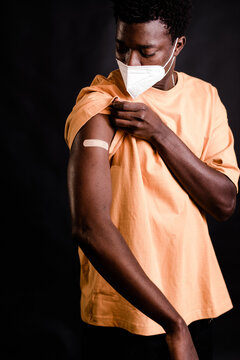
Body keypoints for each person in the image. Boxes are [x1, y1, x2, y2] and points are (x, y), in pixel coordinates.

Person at [64, 0, 240, 359]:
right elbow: (88, 226)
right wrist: (173, 324)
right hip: (124, 320)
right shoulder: (99, 105)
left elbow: (224, 203)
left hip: (196, 309)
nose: (131, 64)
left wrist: (160, 133)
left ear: (178, 45)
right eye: (121, 48)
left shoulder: (205, 99)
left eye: (146, 51)